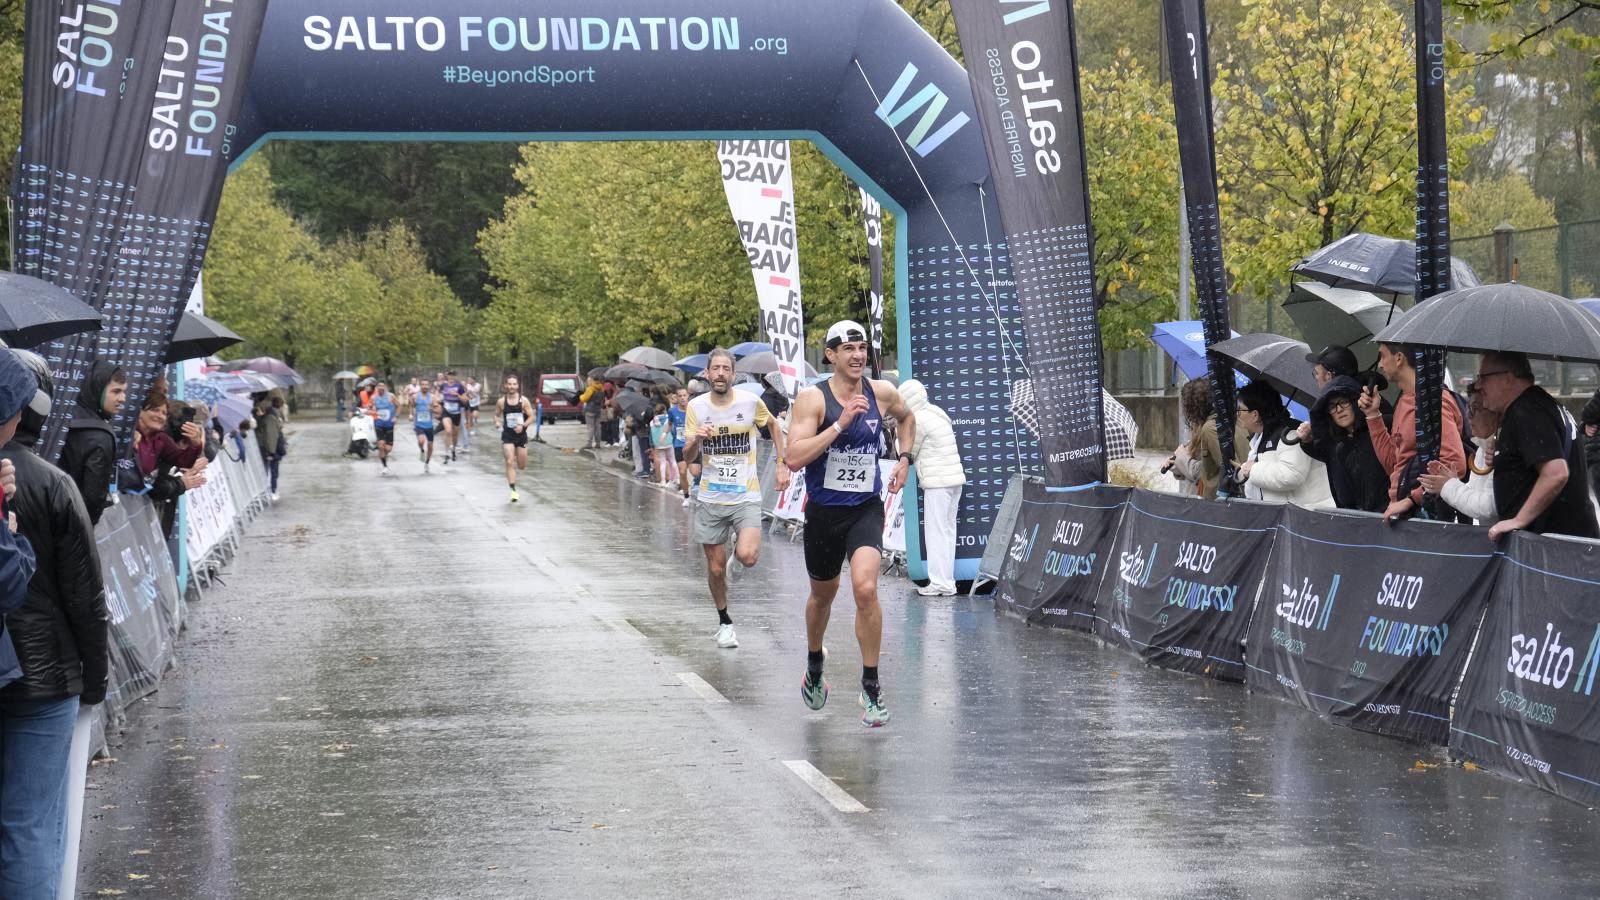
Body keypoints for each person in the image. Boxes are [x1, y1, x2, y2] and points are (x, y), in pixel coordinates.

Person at [785, 321, 915, 728]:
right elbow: (793, 457)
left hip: (865, 508)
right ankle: (814, 663)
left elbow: (908, 418)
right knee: (822, 597)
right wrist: (840, 425)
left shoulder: (881, 392)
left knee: (865, 588)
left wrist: (906, 459)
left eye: (862, 348)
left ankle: (871, 686)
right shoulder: (813, 400)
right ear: (831, 356)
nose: (858, 355)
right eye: (848, 349)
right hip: (824, 512)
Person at [0, 351, 84, 900]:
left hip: (19, 667)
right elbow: (83, 591)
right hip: (43, 677)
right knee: (29, 826)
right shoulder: (54, 483)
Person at [683, 348, 789, 650]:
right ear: (707, 374)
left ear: (733, 374)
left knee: (748, 556)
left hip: (746, 495)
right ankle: (725, 622)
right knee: (715, 569)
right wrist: (699, 440)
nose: (719, 374)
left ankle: (738, 561)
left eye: (725, 369)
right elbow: (687, 455)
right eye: (714, 368)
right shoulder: (696, 407)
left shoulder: (750, 402)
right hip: (711, 497)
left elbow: (772, 425)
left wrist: (781, 462)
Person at [1471, 351, 1598, 540]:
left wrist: (1518, 520)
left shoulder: (1527, 411)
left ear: (1507, 378)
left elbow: (1556, 473)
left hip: (1553, 546)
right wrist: (1504, 455)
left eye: (1483, 377)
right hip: (1564, 541)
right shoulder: (1539, 404)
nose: (1479, 385)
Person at [1363, 342, 1467, 523]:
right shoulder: (1405, 401)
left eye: (1382, 356)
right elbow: (1393, 464)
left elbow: (1455, 465)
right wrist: (1373, 415)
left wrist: (1412, 500)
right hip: (1402, 514)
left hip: (1425, 518)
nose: (1379, 364)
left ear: (1399, 358)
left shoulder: (1435, 402)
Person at [897, 379, 965, 596]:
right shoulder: (936, 412)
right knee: (947, 533)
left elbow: (907, 451)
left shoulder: (917, 419)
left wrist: (898, 430)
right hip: (954, 481)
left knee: (936, 533)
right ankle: (947, 582)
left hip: (938, 483)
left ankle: (939, 583)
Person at [1296, 374, 1390, 513]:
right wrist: (1307, 439)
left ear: (1355, 402)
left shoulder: (1382, 428)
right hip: (1351, 521)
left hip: (1387, 517)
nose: (1339, 410)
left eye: (1344, 402)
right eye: (1332, 406)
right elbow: (1319, 449)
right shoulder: (1334, 444)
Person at [1235, 382, 1334, 507]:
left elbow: (1292, 474)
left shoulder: (1291, 433)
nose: (1237, 415)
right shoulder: (1261, 437)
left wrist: (1253, 469)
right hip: (1287, 518)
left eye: (1239, 411)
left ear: (1255, 415)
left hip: (1307, 517)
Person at [1420, 390, 1501, 526]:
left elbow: (1489, 507)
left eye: (1476, 409)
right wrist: (1451, 482)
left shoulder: (1500, 448)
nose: (1468, 415)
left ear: (1497, 414)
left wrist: (1448, 486)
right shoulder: (1483, 447)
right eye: (1468, 408)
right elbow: (1474, 494)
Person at [61, 361, 126, 526]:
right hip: (72, 526)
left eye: (124, 392)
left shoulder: (62, 417)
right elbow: (93, 499)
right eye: (116, 391)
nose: (123, 398)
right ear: (98, 390)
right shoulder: (100, 437)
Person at [1167, 378, 1247, 500]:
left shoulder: (1211, 428)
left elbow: (1227, 468)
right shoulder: (1226, 419)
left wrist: (1184, 459)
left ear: (1191, 408)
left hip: (1221, 502)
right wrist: (1178, 464)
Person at [498, 374, 534, 502]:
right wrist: (497, 422)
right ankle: (513, 491)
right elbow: (496, 415)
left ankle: (516, 474)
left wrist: (523, 425)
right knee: (509, 461)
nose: (511, 386)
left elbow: (532, 417)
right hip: (507, 436)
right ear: (506, 386)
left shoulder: (524, 401)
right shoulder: (501, 402)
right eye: (509, 384)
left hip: (521, 436)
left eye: (514, 384)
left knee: (522, 465)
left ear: (517, 386)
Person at [253, 395, 283, 502]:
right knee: (272, 471)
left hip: (270, 448)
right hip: (271, 449)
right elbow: (271, 435)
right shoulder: (271, 417)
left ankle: (271, 490)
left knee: (271, 470)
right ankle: (272, 491)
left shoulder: (269, 416)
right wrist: (271, 452)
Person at [438, 371, 467, 463]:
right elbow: (437, 396)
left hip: (456, 413)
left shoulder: (459, 386)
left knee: (455, 435)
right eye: (449, 375)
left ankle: (453, 449)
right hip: (446, 411)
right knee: (448, 431)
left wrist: (457, 395)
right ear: (447, 376)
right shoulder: (443, 386)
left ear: (455, 376)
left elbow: (465, 400)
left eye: (453, 375)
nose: (451, 377)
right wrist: (438, 400)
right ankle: (446, 453)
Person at [669, 387, 691, 504]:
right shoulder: (672, 411)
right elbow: (669, 423)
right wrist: (664, 433)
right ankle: (686, 496)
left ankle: (696, 487)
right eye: (680, 396)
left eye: (684, 395)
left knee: (696, 471)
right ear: (676, 398)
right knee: (682, 472)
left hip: (692, 444)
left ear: (688, 396)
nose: (683, 398)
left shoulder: (694, 410)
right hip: (679, 444)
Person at [413, 378, 439, 474]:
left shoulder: (432, 397)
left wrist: (431, 409)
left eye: (426, 384)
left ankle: (427, 463)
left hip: (429, 425)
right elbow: (411, 405)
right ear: (420, 385)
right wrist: (411, 414)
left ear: (429, 386)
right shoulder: (416, 396)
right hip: (419, 424)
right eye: (423, 384)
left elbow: (438, 411)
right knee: (421, 441)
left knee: (430, 445)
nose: (424, 386)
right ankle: (421, 450)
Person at [371, 382, 398, 475]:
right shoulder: (373, 398)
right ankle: (384, 466)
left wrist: (395, 416)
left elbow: (399, 406)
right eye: (379, 386)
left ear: (385, 387)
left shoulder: (391, 396)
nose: (381, 388)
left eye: (383, 386)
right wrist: (372, 410)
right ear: (376, 388)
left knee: (388, 449)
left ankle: (383, 457)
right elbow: (372, 408)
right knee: (381, 445)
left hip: (389, 425)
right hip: (379, 424)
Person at [580, 376, 606, 449]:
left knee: (590, 427)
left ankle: (589, 443)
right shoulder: (602, 388)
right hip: (598, 410)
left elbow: (584, 399)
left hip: (590, 410)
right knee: (598, 427)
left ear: (593, 381)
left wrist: (581, 396)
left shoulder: (590, 389)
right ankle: (598, 443)